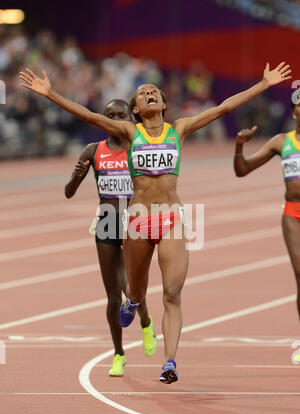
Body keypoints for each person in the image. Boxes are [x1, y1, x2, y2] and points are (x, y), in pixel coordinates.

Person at [20, 61, 292, 383]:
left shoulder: (179, 129)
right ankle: (134, 301)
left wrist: (263, 84)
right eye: (142, 93)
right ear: (136, 108)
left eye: (154, 92)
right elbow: (89, 115)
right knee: (135, 288)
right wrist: (50, 93)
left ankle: (169, 361)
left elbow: (223, 107)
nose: (149, 93)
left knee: (172, 293)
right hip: (138, 220)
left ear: (163, 104)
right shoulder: (129, 131)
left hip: (171, 217)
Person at [64, 99, 157, 377]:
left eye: (121, 114)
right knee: (113, 296)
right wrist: (77, 177)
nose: (116, 118)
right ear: (102, 119)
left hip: (134, 223)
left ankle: (146, 322)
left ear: (131, 117)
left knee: (131, 288)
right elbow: (69, 192)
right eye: (110, 115)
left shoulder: (137, 148)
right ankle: (119, 354)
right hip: (106, 222)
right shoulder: (93, 151)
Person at [233, 94, 300, 335]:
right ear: (293, 112)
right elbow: (243, 170)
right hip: (293, 214)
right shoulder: (281, 142)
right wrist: (240, 145)